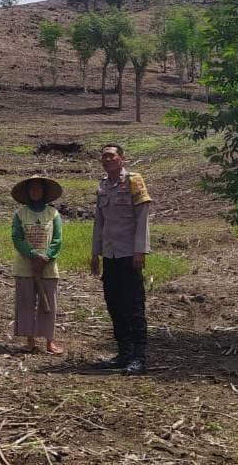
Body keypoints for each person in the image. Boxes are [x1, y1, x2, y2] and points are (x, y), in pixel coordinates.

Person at [90, 143, 153, 375]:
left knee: (133, 305)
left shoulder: (134, 181)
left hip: (129, 254)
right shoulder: (103, 186)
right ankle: (123, 352)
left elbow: (142, 218)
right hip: (110, 254)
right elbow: (100, 222)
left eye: (111, 156)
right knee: (114, 304)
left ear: (122, 159)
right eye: (104, 156)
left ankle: (139, 357)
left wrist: (140, 251)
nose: (107, 159)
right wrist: (95, 252)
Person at [10, 175, 65, 354]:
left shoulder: (53, 214)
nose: (35, 191)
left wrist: (46, 256)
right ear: (27, 192)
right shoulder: (20, 214)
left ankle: (50, 342)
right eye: (31, 188)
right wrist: (32, 254)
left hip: (47, 266)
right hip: (25, 265)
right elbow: (17, 238)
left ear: (44, 191)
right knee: (26, 302)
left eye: (38, 188)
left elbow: (57, 239)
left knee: (49, 302)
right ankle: (30, 340)